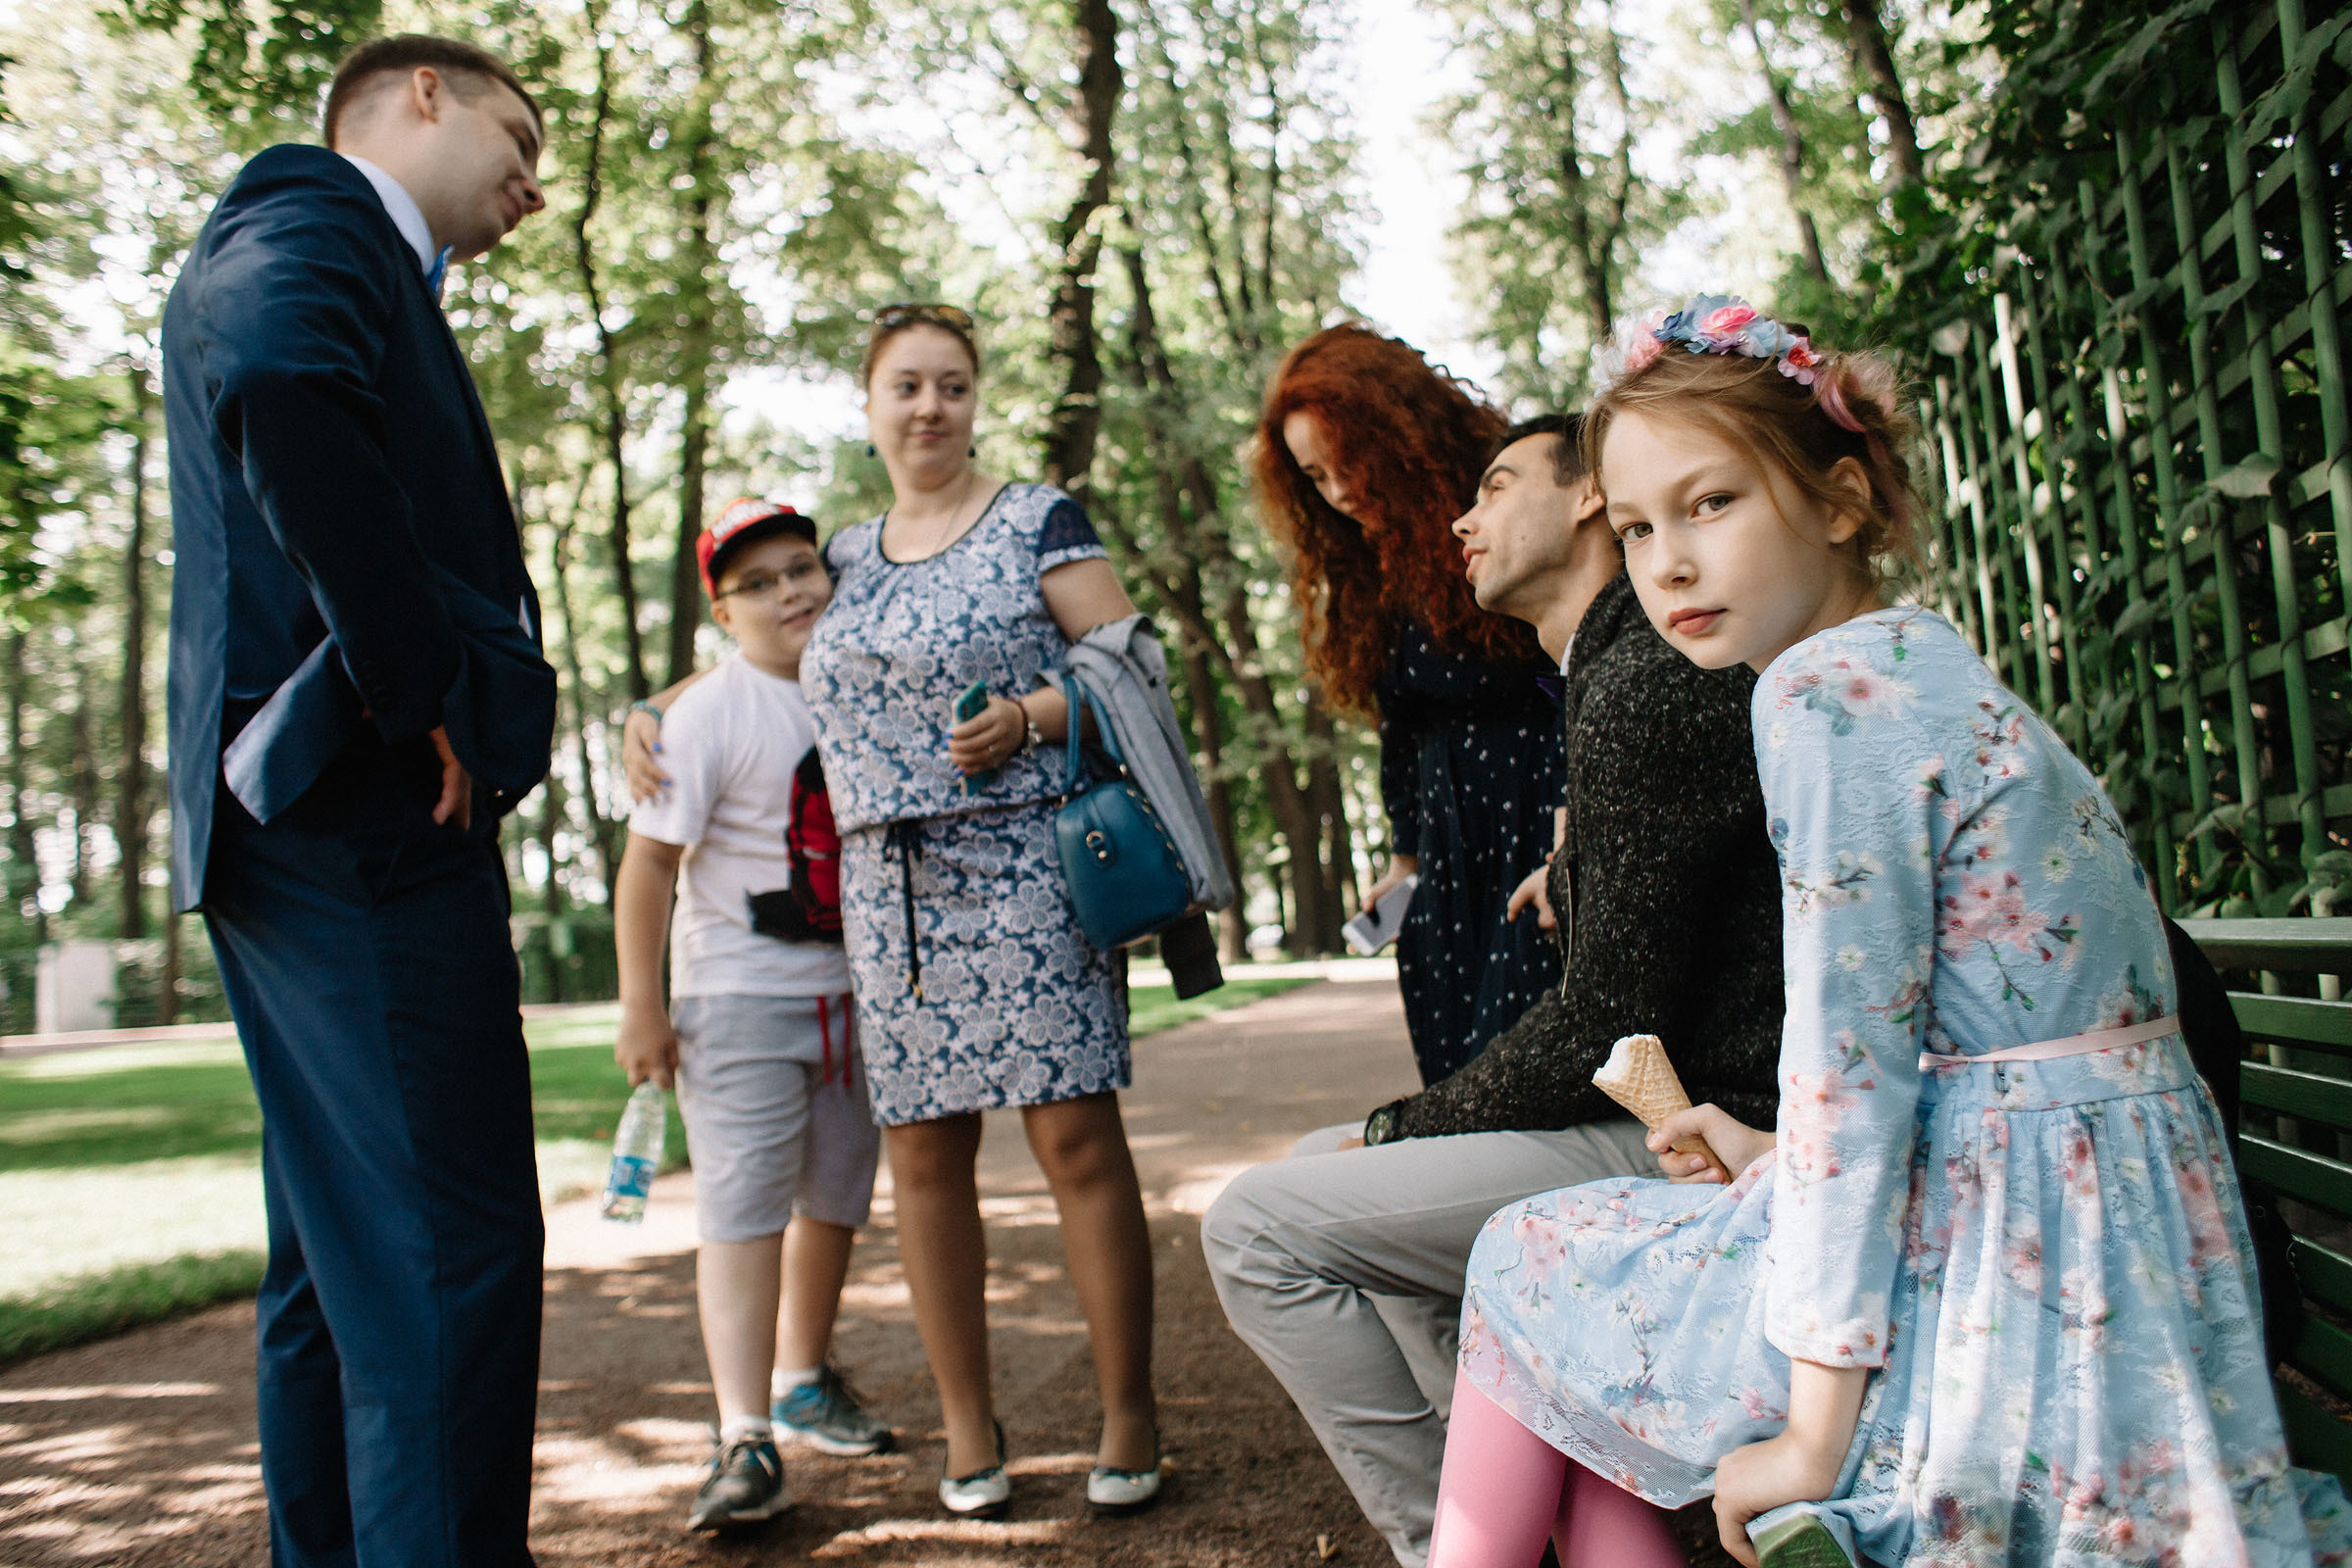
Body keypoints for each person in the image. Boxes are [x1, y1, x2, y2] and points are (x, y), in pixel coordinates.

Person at [1427, 297, 2352, 1568]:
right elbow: (1967, 1038)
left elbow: (1855, 1077)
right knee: (1570, 1288)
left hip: (2016, 1272)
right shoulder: (1915, 660)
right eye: (1637, 528)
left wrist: (1812, 1439)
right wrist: (1766, 1147)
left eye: (1713, 505)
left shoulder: (1824, 697)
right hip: (2100, 1219)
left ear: (1844, 501)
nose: (1669, 564)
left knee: (1534, 1258)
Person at [1203, 414, 1785, 1567]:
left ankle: (1453, 1547)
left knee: (1254, 1226)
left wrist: (1396, 1125)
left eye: (1500, 484)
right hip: (1681, 1110)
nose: (1464, 519)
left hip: (1717, 1135)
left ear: (1583, 503)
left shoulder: (1644, 676)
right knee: (1363, 1198)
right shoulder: (1610, 672)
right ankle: (1502, 1537)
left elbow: (1605, 1023)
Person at [628, 304, 1163, 1518]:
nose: (930, 406)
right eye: (906, 386)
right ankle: (970, 1429)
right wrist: (650, 710)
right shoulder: (848, 553)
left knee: (1074, 1139)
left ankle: (1130, 1409)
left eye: (954, 385)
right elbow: (761, 642)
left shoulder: (1037, 519)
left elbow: (1131, 663)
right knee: (924, 1159)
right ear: (870, 407)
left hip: (1030, 865)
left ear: (977, 400)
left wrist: (1029, 715)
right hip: (890, 893)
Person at [161, 35, 554, 1568]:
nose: (534, 181)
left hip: (303, 829)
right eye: (518, 134)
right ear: (424, 96)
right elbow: (273, 368)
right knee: (449, 1250)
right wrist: (419, 680)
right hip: (368, 814)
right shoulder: (314, 215)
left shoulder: (347, 255)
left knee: (340, 1267)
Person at [610, 499, 894, 1532]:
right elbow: (647, 871)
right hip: (736, 1001)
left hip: (857, 1000)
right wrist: (643, 1007)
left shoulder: (858, 681)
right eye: (759, 584)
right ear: (725, 611)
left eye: (801, 569)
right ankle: (743, 1435)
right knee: (742, 1212)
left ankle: (804, 1376)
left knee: (834, 1197)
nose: (790, 593)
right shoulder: (706, 715)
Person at [1255, 324, 1565, 1086]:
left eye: (1348, 459)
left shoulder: (1500, 511)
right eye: (1316, 477)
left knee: (1528, 1064)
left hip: (1536, 811)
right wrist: (1405, 857)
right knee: (1456, 1065)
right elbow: (1403, 728)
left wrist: (1578, 822)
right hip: (1448, 853)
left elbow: (1577, 673)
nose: (1340, 490)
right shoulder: (1368, 564)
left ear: (1398, 430)